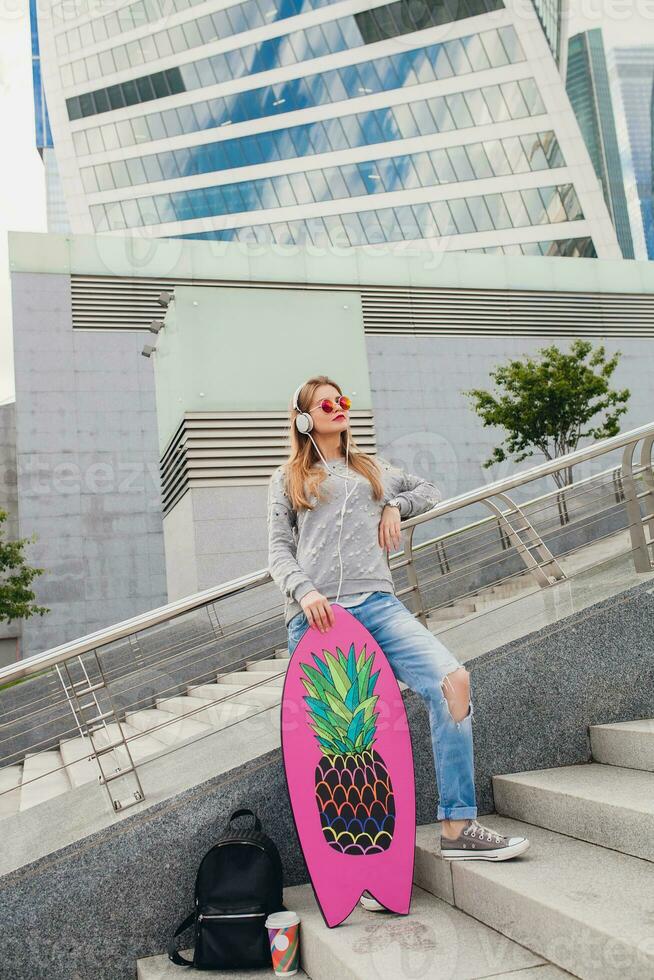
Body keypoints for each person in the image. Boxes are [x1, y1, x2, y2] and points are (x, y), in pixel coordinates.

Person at [267, 375, 530, 909]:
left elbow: (428, 490)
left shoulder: (374, 470)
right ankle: (362, 865)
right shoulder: (288, 478)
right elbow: (278, 551)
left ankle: (459, 827)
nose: (339, 408)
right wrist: (305, 591)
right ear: (304, 418)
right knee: (345, 748)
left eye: (343, 401)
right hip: (320, 620)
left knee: (452, 682)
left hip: (380, 606)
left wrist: (394, 507)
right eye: (326, 404)